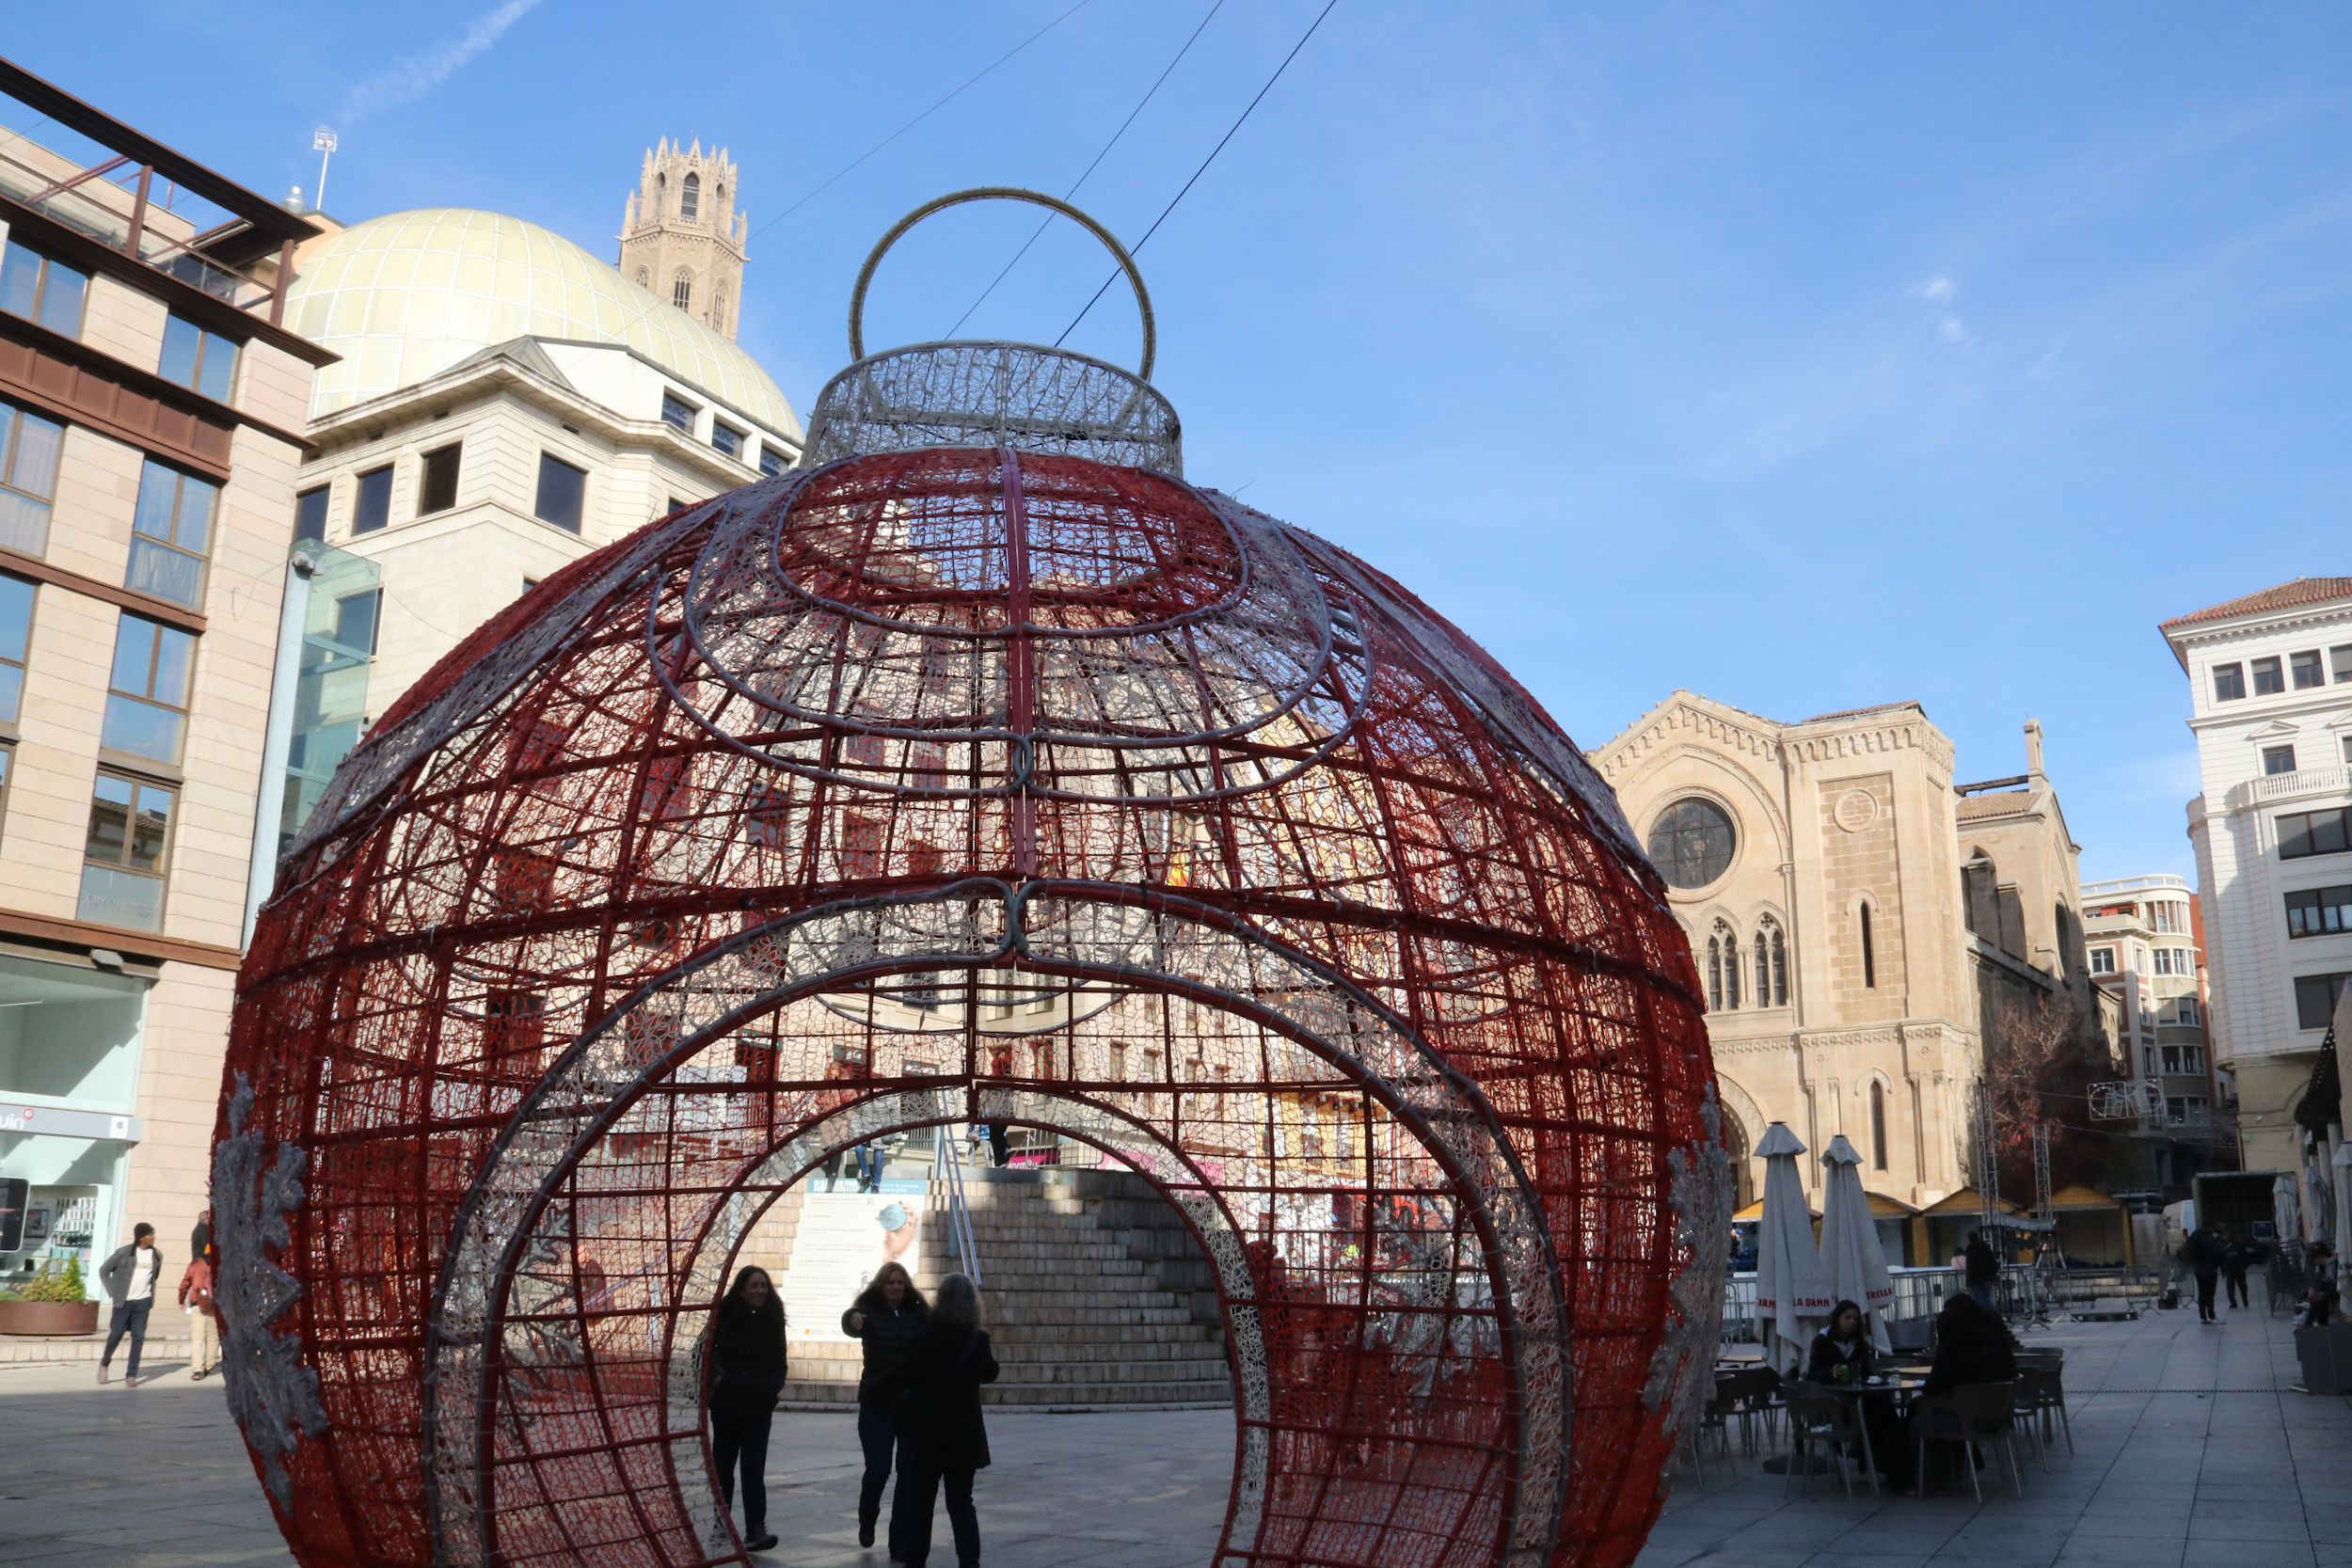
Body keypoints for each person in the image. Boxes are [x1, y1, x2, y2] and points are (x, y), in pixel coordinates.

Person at [880, 1272, 999, 1568]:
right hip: (964, 1436)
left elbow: (904, 1375)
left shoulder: (924, 1338)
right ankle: (969, 1563)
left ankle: (915, 1561)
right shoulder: (977, 1340)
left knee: (922, 1505)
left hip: (928, 1435)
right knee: (961, 1503)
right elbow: (990, 1372)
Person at [843, 1261, 930, 1554]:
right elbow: (851, 1322)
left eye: (900, 1283)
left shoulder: (918, 1313)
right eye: (891, 1282)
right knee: (878, 1469)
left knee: (908, 1473)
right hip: (877, 1402)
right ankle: (868, 1519)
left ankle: (900, 1539)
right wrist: (851, 1317)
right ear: (881, 1286)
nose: (895, 1287)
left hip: (909, 1405)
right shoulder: (868, 1311)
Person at [707, 1265, 787, 1554]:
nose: (760, 1291)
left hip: (757, 1407)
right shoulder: (724, 1318)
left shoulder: (773, 1320)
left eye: (764, 1286)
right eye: (754, 1286)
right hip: (727, 1405)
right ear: (741, 1289)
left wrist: (768, 1389)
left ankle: (756, 1529)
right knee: (723, 1469)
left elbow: (780, 1363)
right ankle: (721, 1526)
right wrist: (718, 1378)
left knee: (753, 1470)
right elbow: (703, 1352)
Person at [1909, 1291, 2020, 1494]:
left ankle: (1928, 1479)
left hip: (1969, 1418)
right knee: (1931, 1409)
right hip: (2001, 1416)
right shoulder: (1999, 1341)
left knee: (1919, 1415)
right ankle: (1960, 1468)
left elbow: (1932, 1389)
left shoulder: (1952, 1345)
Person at [1806, 1300, 1904, 1487]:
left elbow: (1866, 1372)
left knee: (1883, 1412)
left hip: (1859, 1398)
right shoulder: (1822, 1342)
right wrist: (1830, 1372)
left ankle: (1886, 1465)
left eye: (1855, 1319)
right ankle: (1873, 1464)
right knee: (1874, 1415)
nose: (1851, 1322)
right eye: (1847, 1317)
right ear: (1837, 1318)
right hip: (1833, 1405)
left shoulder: (1858, 1343)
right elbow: (1813, 1374)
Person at [97, 1223, 162, 1388]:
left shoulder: (157, 1255)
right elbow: (104, 1270)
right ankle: (105, 1362)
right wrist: (113, 1291)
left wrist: (148, 1297)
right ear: (141, 1237)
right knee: (116, 1334)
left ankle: (131, 1374)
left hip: (143, 1302)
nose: (153, 1237)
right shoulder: (124, 1253)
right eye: (150, 1234)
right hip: (123, 1302)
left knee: (139, 1337)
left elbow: (154, 1277)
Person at [178, 1249, 222, 1381]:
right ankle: (209, 1366)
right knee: (213, 1338)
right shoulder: (220, 1264)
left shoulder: (195, 1265)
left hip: (197, 1304)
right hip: (214, 1305)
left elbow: (184, 1284)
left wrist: (181, 1300)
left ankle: (197, 1370)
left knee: (198, 1339)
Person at [2183, 1224, 2224, 1324]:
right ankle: (2211, 1315)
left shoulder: (2194, 1236)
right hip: (2209, 1269)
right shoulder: (2209, 1238)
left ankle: (2203, 1316)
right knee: (2210, 1293)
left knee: (2202, 1293)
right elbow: (2216, 1253)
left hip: (2198, 1269)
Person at [1963, 1231, 1999, 1311]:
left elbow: (1972, 1267)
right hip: (1987, 1280)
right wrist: (1990, 1279)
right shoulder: (1986, 1248)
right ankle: (1991, 1317)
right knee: (1986, 1299)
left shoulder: (1970, 1250)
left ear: (1969, 1239)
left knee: (1979, 1301)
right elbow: (1994, 1264)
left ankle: (1985, 1318)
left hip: (1975, 1280)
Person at [2220, 1227, 2252, 1311]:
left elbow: (2245, 1257)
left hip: (2238, 1270)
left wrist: (2244, 1267)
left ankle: (2243, 1300)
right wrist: (2223, 1270)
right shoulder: (2225, 1246)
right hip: (2230, 1270)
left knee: (2242, 1287)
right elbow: (2222, 1259)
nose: (2228, 1236)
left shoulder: (2238, 1245)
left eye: (2229, 1235)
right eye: (2227, 1235)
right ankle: (2233, 1302)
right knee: (2233, 1287)